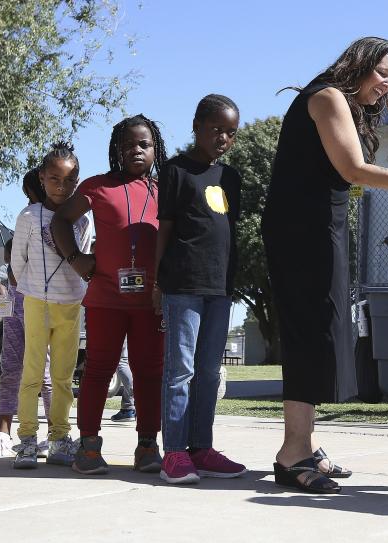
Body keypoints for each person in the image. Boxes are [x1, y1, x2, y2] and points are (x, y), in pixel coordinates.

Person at [261, 37, 388, 493]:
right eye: (381, 72)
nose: (386, 85)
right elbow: (354, 170)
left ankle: (303, 443)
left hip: (320, 225)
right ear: (359, 65)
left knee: (324, 331)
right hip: (300, 228)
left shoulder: (337, 102)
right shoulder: (326, 97)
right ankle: (292, 455)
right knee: (310, 331)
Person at [55, 114, 167, 475]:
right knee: (99, 370)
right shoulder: (97, 186)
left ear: (155, 149)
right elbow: (60, 221)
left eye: (144, 144)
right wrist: (75, 258)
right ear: (117, 150)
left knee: (149, 371)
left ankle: (148, 445)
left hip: (151, 301)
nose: (136, 149)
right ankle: (88, 446)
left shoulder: (163, 189)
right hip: (105, 297)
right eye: (129, 144)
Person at [155, 96, 247, 484]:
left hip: (219, 287)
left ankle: (201, 448)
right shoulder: (175, 171)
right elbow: (166, 229)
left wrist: (231, 284)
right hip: (182, 286)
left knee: (210, 372)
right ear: (197, 126)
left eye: (230, 132)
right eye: (216, 130)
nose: (223, 138)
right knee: (181, 371)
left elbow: (227, 233)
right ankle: (174, 453)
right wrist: (157, 282)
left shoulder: (231, 177)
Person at [12, 143, 91, 469]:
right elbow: (18, 262)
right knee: (32, 372)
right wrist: (33, 288)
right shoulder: (30, 216)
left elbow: (83, 261)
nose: (62, 187)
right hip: (37, 302)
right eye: (55, 179)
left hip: (71, 305)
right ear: (42, 178)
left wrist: (75, 291)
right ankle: (27, 441)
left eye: (70, 181)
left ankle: (60, 439)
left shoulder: (83, 220)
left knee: (62, 376)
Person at [0, 235, 54, 458]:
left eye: (20, 260)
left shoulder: (40, 284)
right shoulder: (9, 286)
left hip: (39, 312)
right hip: (13, 319)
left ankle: (54, 435)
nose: (12, 267)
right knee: (10, 373)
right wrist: (0, 286)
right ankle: (3, 435)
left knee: (45, 376)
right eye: (10, 260)